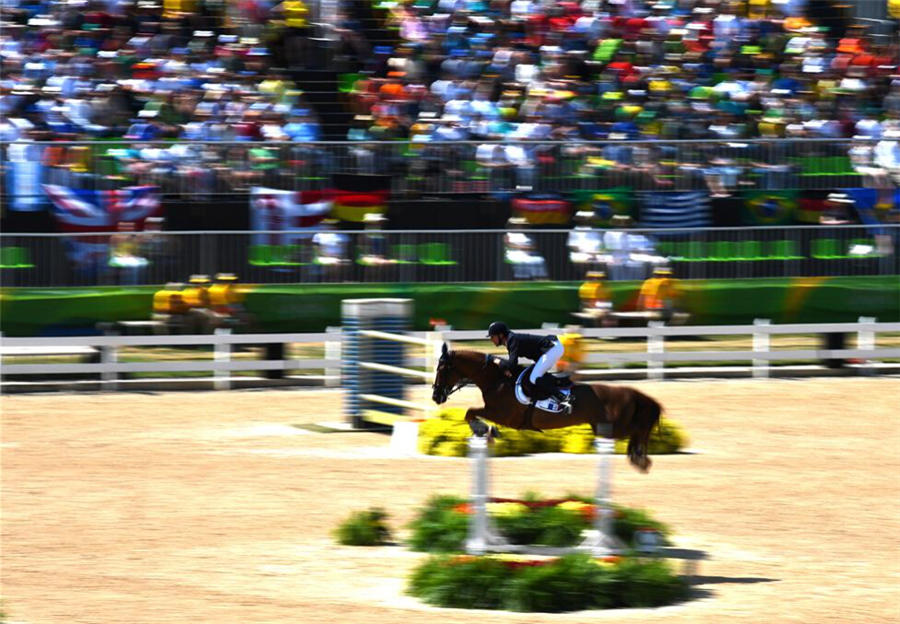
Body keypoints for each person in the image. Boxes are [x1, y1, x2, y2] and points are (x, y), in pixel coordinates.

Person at [486, 321, 571, 410]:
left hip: (552, 348)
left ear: (501, 335)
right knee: (535, 374)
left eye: (492, 336)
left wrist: (496, 360)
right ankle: (562, 384)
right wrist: (505, 368)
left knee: (534, 377)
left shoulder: (512, 340)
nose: (491, 339)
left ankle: (564, 398)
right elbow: (512, 366)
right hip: (551, 347)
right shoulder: (511, 340)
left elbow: (512, 365)